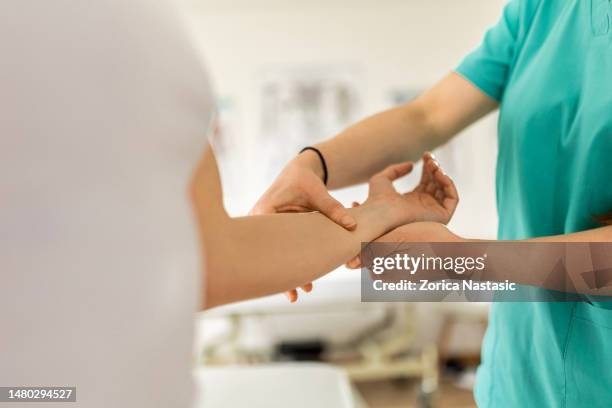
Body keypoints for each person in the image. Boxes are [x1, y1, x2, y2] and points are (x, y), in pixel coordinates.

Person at [0, 1, 458, 407]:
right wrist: (337, 182)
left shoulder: (123, 35)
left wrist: (456, 257)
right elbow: (218, 255)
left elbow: (533, 278)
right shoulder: (129, 33)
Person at [253, 0, 612, 406]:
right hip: (518, 377)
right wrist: (311, 165)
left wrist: (460, 260)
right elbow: (428, 116)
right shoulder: (543, 9)